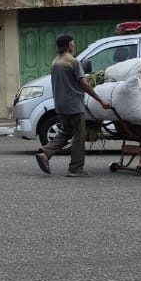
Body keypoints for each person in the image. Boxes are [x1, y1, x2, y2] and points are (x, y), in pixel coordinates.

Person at [36, 33, 111, 177]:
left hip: (60, 105)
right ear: (69, 45)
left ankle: (45, 154)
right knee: (78, 136)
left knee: (65, 131)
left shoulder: (55, 62)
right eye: (72, 42)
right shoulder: (73, 62)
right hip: (74, 106)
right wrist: (101, 100)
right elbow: (84, 83)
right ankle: (75, 169)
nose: (74, 44)